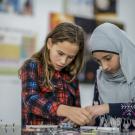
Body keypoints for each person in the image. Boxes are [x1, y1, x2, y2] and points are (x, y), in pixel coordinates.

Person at [19, 22, 91, 127]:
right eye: (60, 53)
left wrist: (81, 117)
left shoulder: (72, 76)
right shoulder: (32, 66)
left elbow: (76, 110)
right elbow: (30, 99)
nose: (63, 61)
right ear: (49, 44)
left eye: (70, 57)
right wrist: (65, 110)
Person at [86, 22, 135, 130]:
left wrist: (108, 107)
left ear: (122, 51)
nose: (104, 67)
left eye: (108, 58)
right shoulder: (100, 78)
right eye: (98, 61)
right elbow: (99, 120)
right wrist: (89, 119)